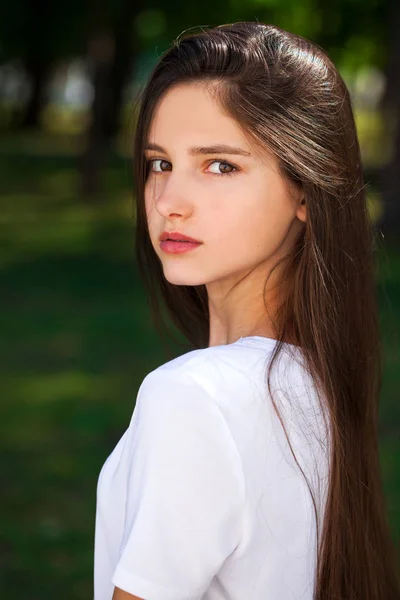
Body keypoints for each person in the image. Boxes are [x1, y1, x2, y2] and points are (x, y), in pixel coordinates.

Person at [94, 21, 400, 600]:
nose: (169, 203)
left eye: (220, 166)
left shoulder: (194, 396)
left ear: (305, 191)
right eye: (160, 162)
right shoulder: (317, 385)